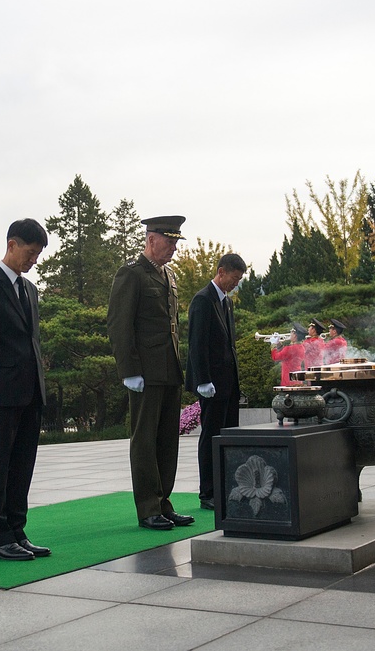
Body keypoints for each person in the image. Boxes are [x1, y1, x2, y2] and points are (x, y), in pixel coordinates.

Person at [0, 219, 51, 561]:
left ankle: (17, 529)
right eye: (30, 253)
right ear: (12, 244)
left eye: (38, 255)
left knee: (22, 465)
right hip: (0, 393)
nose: (33, 260)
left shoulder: (29, 289)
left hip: (29, 391)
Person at [108, 215, 195, 531]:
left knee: (166, 439)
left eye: (176, 242)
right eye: (169, 241)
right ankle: (147, 507)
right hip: (145, 371)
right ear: (151, 239)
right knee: (144, 439)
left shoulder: (168, 276)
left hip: (169, 368)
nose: (173, 248)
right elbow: (119, 325)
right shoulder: (131, 274)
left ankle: (163, 502)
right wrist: (129, 370)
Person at [185, 253, 246, 511]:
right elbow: (197, 344)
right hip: (211, 384)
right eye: (234, 278)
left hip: (228, 384)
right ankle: (207, 492)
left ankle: (227, 487)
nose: (236, 283)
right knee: (211, 436)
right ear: (221, 272)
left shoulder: (227, 303)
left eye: (240, 280)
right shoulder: (203, 300)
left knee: (229, 435)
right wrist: (203, 380)